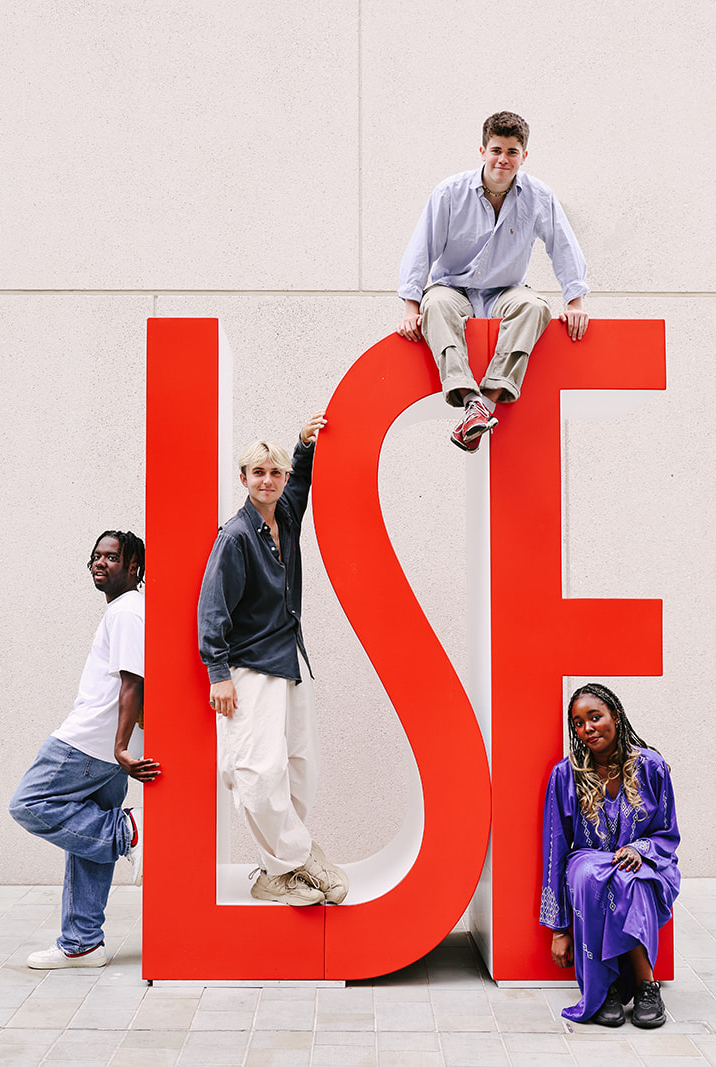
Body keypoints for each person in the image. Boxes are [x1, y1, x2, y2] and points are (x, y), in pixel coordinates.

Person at [198, 411, 348, 907]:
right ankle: (302, 860)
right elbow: (212, 607)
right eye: (257, 472)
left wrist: (302, 447)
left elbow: (301, 487)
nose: (268, 480)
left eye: (275, 473)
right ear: (242, 479)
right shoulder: (235, 536)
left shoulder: (283, 515)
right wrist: (217, 674)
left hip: (290, 662)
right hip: (249, 668)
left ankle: (274, 872)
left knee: (299, 767)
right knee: (258, 773)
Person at [396, 110, 591, 453]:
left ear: (524, 156)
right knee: (436, 305)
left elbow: (563, 245)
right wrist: (412, 306)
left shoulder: (538, 196)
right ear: (483, 151)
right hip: (453, 287)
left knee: (534, 307)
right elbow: (421, 248)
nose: (503, 159)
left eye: (512, 152)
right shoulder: (449, 193)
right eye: (496, 150)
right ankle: (471, 399)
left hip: (506, 289)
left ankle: (484, 403)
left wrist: (575, 302)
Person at [8, 530, 156, 969]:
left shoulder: (128, 611)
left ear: (134, 567)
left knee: (30, 803)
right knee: (86, 840)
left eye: (111, 558)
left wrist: (120, 747)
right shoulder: (126, 609)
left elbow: (133, 681)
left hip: (90, 742)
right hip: (108, 747)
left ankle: (130, 832)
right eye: (95, 556)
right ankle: (82, 943)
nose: (99, 563)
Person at [541, 682, 680, 1028]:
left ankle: (643, 986)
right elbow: (555, 848)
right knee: (597, 874)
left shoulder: (652, 767)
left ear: (615, 717)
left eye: (594, 717)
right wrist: (559, 929)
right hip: (588, 861)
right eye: (577, 723)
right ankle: (607, 990)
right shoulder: (565, 774)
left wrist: (639, 848)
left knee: (629, 877)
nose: (586, 728)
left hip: (645, 861)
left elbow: (666, 833)